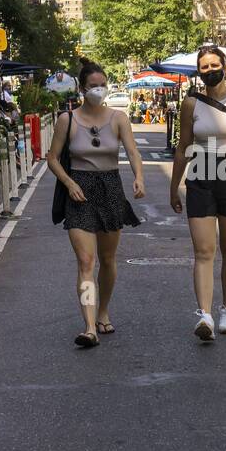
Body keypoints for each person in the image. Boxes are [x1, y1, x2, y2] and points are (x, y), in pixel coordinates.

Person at [47, 60, 145, 348]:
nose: (98, 91)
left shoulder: (118, 118)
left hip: (111, 188)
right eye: (93, 86)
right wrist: (69, 183)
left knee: (108, 260)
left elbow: (133, 150)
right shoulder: (68, 120)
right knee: (86, 262)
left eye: (102, 85)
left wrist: (139, 177)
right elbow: (52, 158)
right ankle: (89, 325)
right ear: (81, 88)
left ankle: (103, 310)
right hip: (80, 191)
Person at [170, 47, 226, 341]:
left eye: (214, 65)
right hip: (200, 174)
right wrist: (174, 187)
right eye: (204, 67)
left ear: (225, 65)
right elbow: (183, 147)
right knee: (204, 251)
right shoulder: (190, 103)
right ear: (199, 71)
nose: (209, 70)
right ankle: (205, 315)